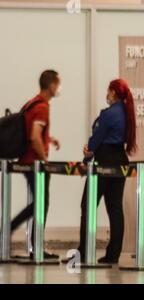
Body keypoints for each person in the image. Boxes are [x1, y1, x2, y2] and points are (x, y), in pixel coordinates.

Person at [76, 79, 137, 264]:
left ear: (112, 92)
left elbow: (96, 139)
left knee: (87, 206)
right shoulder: (127, 114)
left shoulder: (108, 114)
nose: (106, 94)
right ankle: (113, 255)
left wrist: (86, 159)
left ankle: (84, 252)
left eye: (108, 91)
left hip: (104, 161)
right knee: (115, 209)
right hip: (120, 161)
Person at [11, 70, 62, 259]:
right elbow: (34, 136)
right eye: (58, 84)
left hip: (27, 160)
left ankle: (34, 245)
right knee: (40, 204)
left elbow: (35, 133)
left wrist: (50, 139)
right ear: (51, 85)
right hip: (35, 163)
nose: (59, 88)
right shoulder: (42, 107)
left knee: (38, 204)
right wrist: (45, 160)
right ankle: (13, 233)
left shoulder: (31, 103)